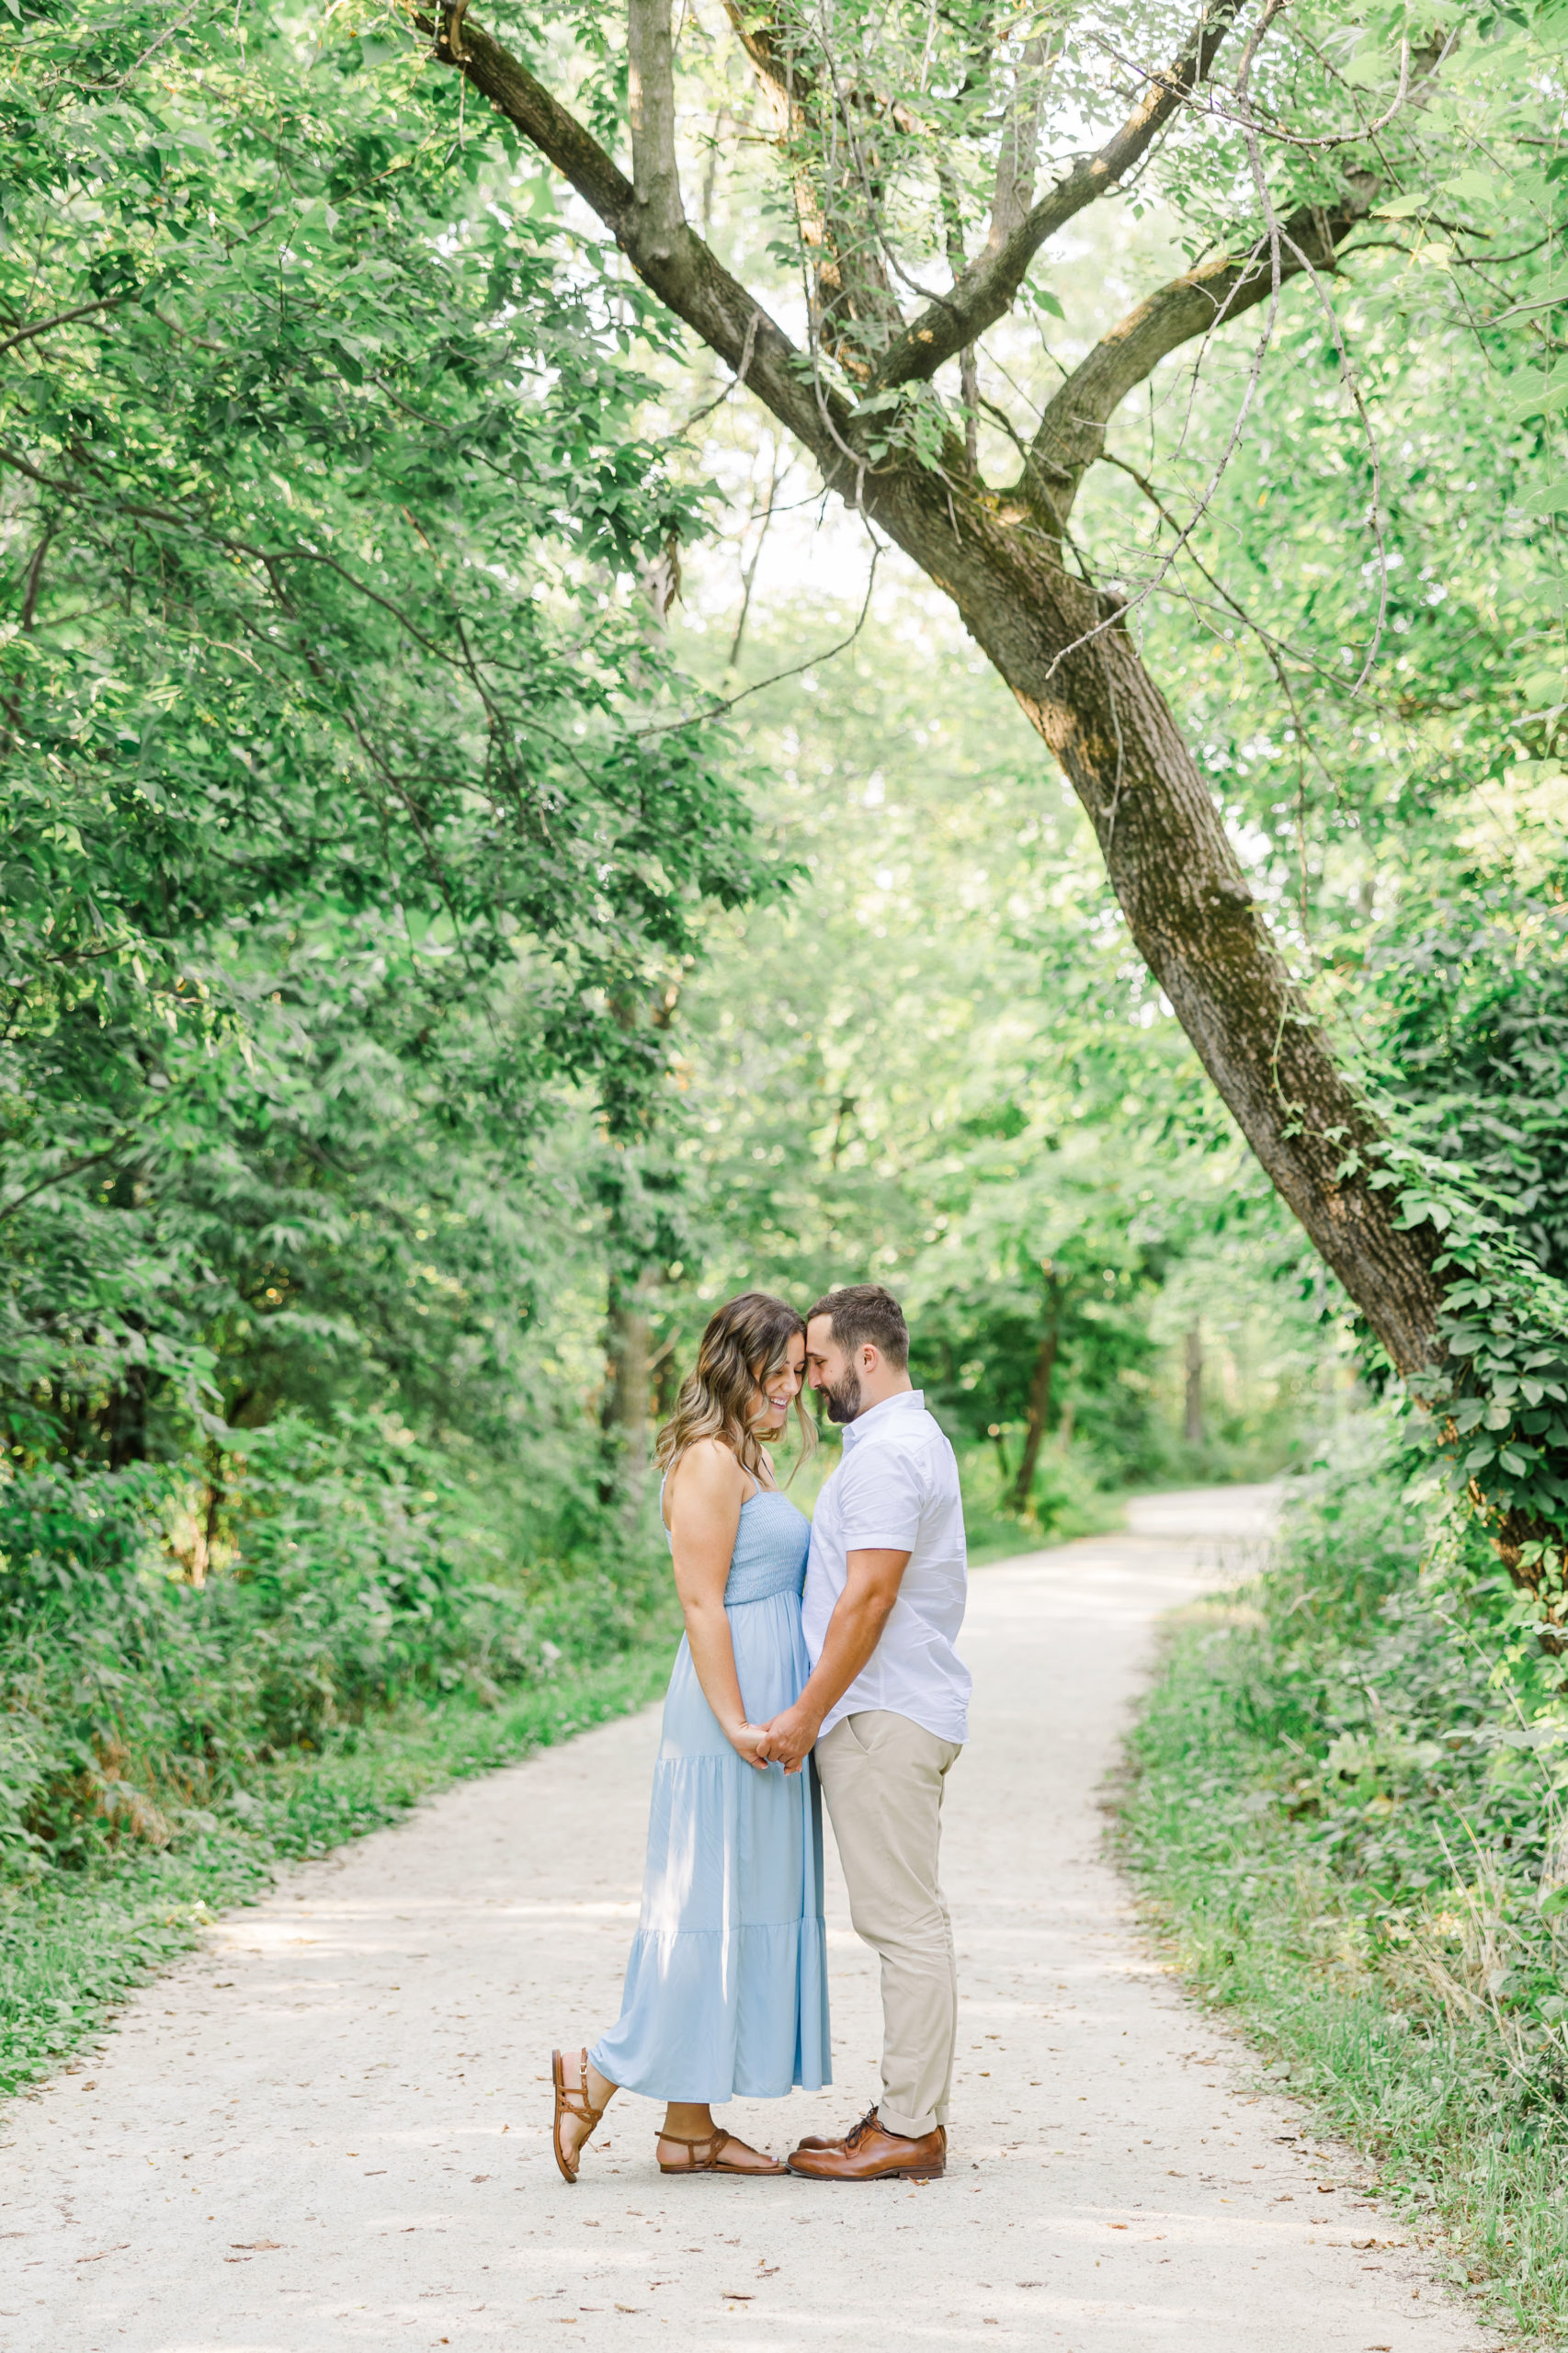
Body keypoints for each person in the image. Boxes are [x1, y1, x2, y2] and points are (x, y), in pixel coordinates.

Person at [551, 1291, 830, 2183]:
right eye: (776, 1372)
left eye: (797, 1372)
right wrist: (737, 1719)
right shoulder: (710, 1460)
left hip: (756, 1710)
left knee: (732, 1910)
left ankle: (688, 2129)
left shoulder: (746, 1455)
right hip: (726, 1717)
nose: (791, 1389)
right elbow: (702, 1601)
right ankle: (593, 2073)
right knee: (705, 1911)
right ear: (731, 1368)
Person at [756, 1283, 970, 2184]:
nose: (806, 1379)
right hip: (886, 1706)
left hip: (880, 1711)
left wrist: (804, 1712)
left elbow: (869, 1598)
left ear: (865, 1357)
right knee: (898, 1916)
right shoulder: (892, 1444)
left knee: (902, 1921)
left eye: (816, 1362)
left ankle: (912, 2126)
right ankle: (901, 2112)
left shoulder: (887, 1455)